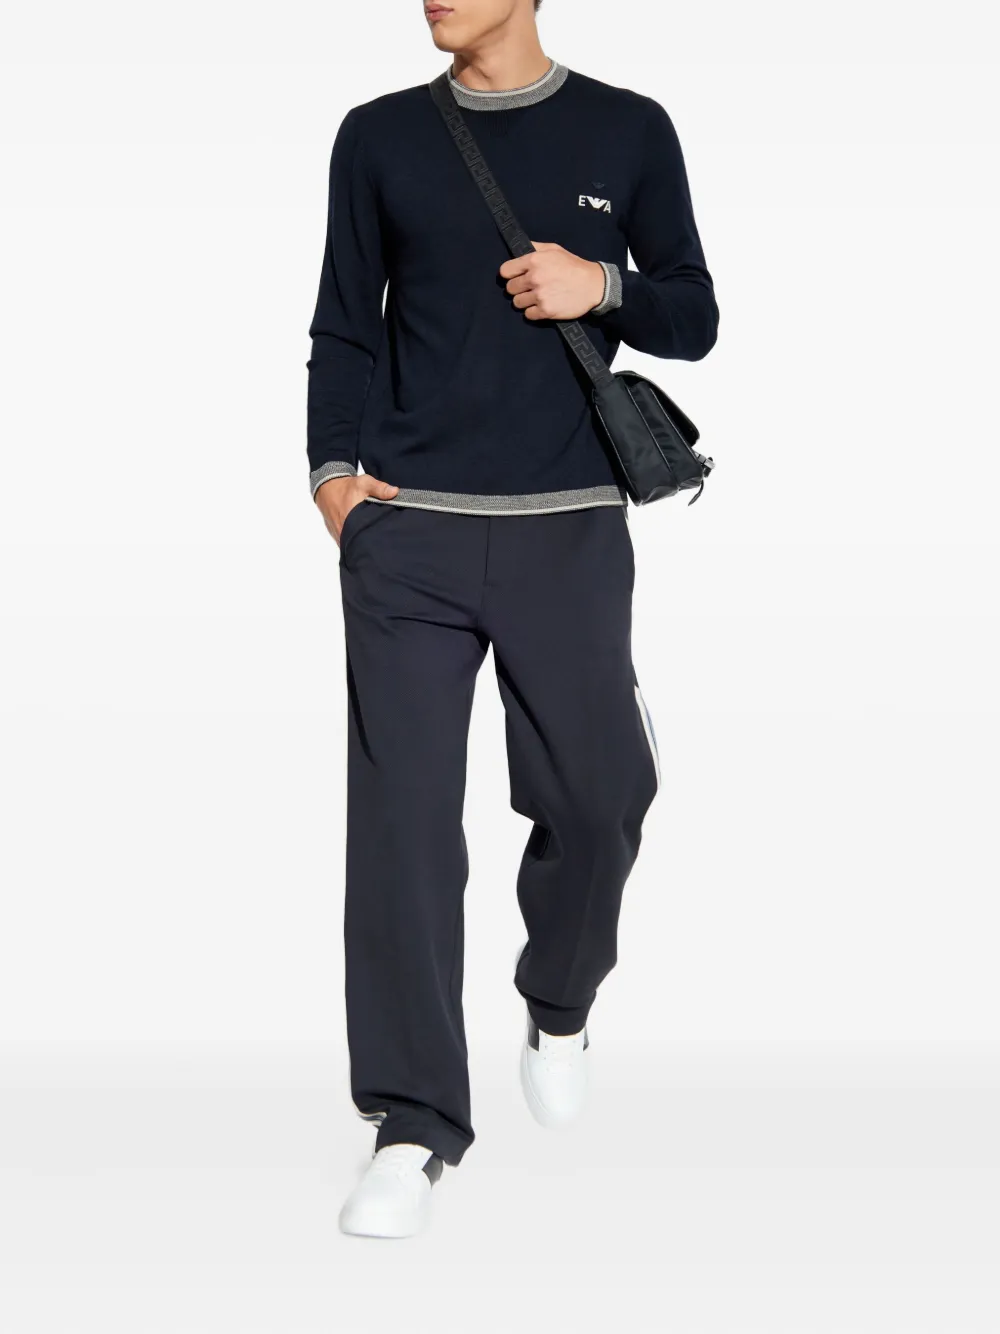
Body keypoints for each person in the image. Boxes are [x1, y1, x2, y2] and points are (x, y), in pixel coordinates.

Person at [306, 0, 718, 1238]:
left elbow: (693, 316)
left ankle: (559, 995)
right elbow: (343, 323)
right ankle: (411, 1122)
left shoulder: (628, 129)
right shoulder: (377, 135)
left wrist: (603, 284)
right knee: (401, 832)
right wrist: (332, 481)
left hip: (568, 527)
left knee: (599, 798)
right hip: (409, 532)